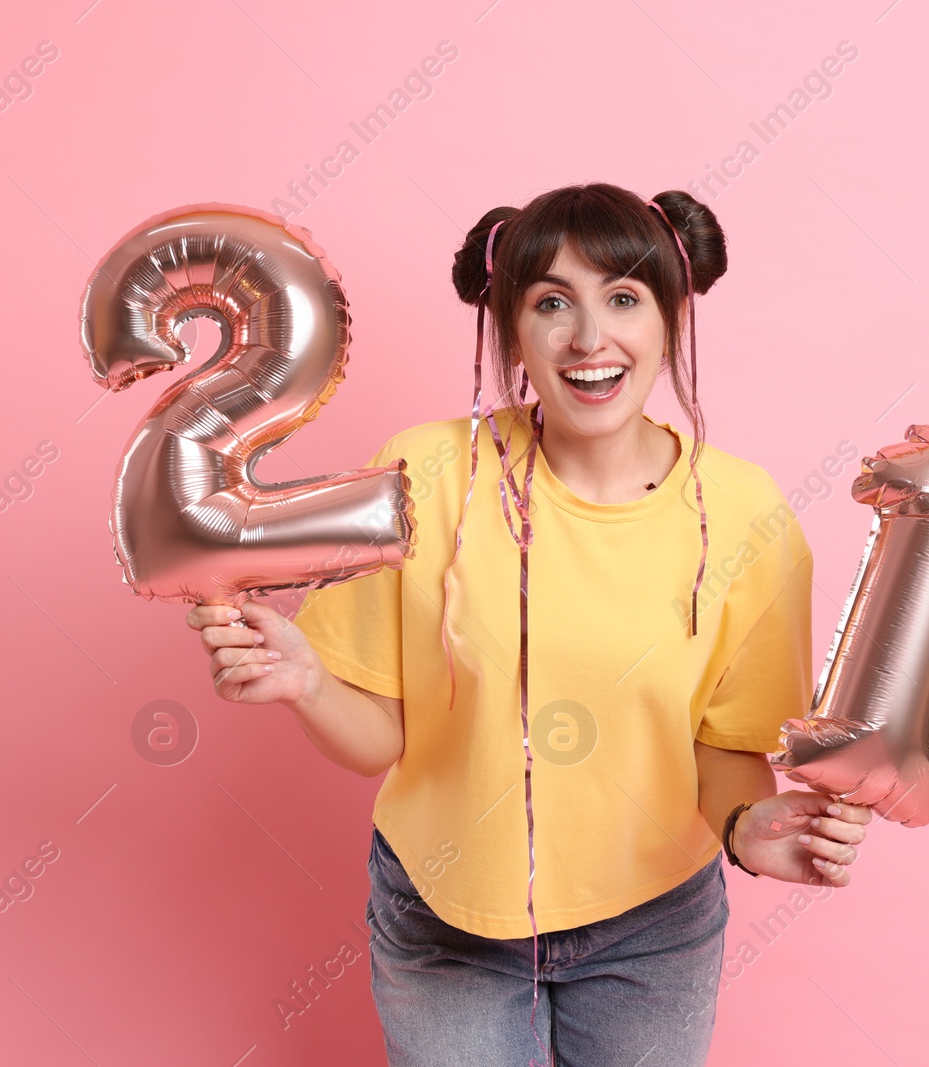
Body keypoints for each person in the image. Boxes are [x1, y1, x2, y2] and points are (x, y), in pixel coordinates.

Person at [184, 182, 872, 1066]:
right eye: (553, 303)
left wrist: (747, 829)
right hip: (443, 914)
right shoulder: (426, 472)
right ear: (511, 329)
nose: (590, 338)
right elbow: (380, 737)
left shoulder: (746, 514)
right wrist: (307, 682)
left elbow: (722, 744)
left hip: (651, 924)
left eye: (623, 298)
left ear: (671, 316)